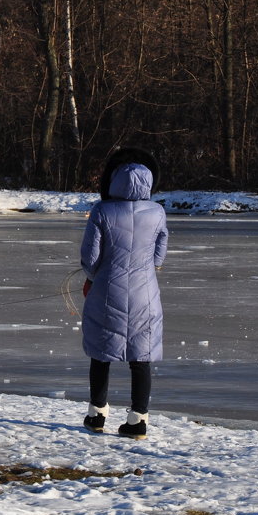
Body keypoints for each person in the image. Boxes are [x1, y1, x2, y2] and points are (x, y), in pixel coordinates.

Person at [79, 148, 168, 439]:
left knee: (101, 351)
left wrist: (91, 278)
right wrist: (148, 267)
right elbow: (160, 251)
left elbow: (90, 257)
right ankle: (138, 419)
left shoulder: (102, 210)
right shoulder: (157, 212)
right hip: (145, 292)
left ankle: (97, 414)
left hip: (107, 290)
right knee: (141, 356)